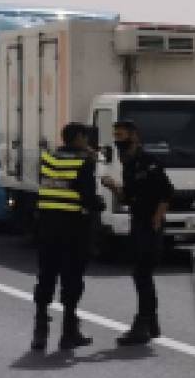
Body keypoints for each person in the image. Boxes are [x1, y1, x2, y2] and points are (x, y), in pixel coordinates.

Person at [102, 119, 174, 345]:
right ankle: (150, 323)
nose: (117, 140)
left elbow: (167, 192)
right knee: (141, 274)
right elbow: (127, 197)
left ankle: (143, 324)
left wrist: (157, 217)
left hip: (150, 224)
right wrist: (113, 186)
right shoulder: (129, 164)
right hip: (138, 221)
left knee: (142, 273)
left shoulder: (149, 161)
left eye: (121, 135)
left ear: (134, 136)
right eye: (115, 136)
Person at [33, 122, 100, 352]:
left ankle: (40, 330)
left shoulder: (48, 158)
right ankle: (68, 333)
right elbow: (88, 198)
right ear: (79, 137)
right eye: (86, 138)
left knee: (46, 276)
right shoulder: (83, 162)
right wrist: (99, 203)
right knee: (72, 279)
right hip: (73, 229)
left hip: (47, 227)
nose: (89, 142)